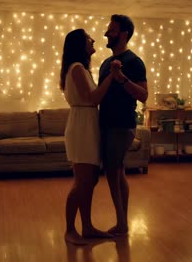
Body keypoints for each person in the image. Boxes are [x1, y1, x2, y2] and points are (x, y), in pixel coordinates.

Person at [60, 29, 121, 244]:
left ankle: (87, 226)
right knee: (82, 182)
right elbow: (92, 97)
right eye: (88, 38)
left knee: (90, 180)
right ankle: (70, 230)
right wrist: (112, 77)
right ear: (79, 44)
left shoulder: (82, 69)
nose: (93, 39)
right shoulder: (76, 68)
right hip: (81, 127)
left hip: (87, 124)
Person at [98, 15, 148, 236]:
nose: (106, 33)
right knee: (118, 172)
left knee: (113, 172)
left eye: (112, 30)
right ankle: (122, 222)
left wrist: (122, 78)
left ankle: (121, 224)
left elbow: (144, 95)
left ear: (124, 34)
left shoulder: (134, 62)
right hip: (106, 125)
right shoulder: (105, 63)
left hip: (122, 125)